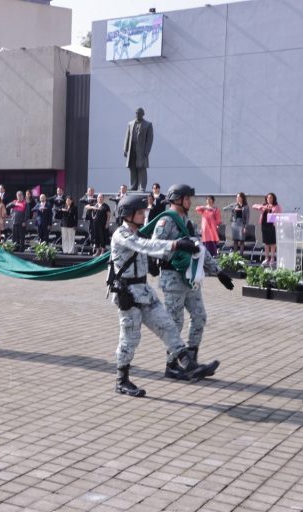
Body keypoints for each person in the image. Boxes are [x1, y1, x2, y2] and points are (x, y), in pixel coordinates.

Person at [110, 194, 217, 397]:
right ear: (127, 214)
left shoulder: (138, 233)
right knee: (130, 339)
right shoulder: (122, 235)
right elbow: (147, 246)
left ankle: (187, 363)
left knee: (167, 326)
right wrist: (175, 244)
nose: (144, 215)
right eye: (140, 212)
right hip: (128, 294)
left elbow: (152, 250)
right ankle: (121, 380)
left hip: (144, 291)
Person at [151, 184, 234, 378]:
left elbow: (200, 250)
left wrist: (218, 272)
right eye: (187, 198)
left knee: (199, 316)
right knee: (175, 322)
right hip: (173, 278)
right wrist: (178, 246)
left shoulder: (188, 222)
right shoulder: (166, 221)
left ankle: (192, 359)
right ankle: (172, 365)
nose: (190, 202)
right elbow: (154, 247)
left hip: (191, 278)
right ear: (176, 199)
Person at [123, 107, 154, 192]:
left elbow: (149, 139)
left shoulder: (148, 124)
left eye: (139, 113)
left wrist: (147, 151)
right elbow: (127, 137)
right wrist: (125, 149)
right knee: (132, 168)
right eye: (136, 113)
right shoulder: (130, 123)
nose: (137, 114)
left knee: (141, 168)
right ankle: (133, 186)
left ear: (142, 114)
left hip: (141, 150)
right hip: (131, 148)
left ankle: (142, 186)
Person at [252, 193, 281, 268]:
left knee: (272, 243)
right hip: (264, 225)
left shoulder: (277, 206)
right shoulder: (264, 205)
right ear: (266, 199)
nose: (269, 199)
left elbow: (280, 215)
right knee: (266, 243)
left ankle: (272, 259)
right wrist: (263, 207)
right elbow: (253, 206)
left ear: (273, 199)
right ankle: (266, 258)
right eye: (268, 198)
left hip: (272, 226)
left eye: (271, 198)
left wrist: (274, 214)